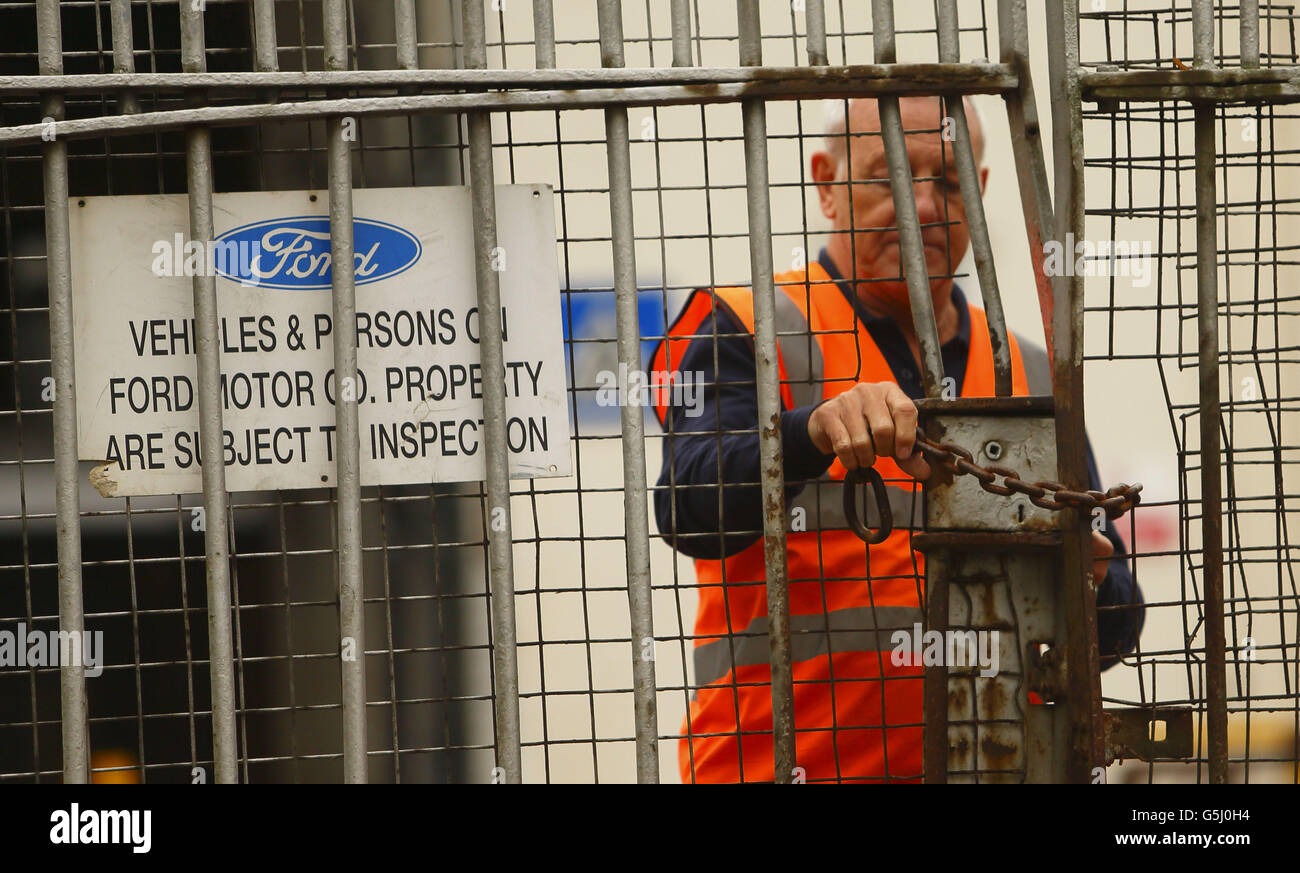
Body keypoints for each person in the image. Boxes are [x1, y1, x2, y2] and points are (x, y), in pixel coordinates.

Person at [650, 95, 1145, 784]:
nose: (923, 205)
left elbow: (1116, 614)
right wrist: (807, 431)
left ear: (980, 193)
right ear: (827, 183)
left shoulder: (1031, 373)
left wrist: (1095, 595)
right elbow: (685, 501)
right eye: (888, 177)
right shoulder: (745, 329)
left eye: (948, 179)